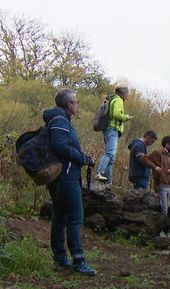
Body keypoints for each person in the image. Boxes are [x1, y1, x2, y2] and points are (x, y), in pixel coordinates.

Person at [44, 88, 96, 276]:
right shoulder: (59, 121)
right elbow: (60, 146)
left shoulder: (62, 120)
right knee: (75, 216)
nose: (77, 104)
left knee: (60, 217)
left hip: (62, 175)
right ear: (68, 104)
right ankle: (78, 260)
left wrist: (82, 157)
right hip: (65, 176)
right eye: (75, 101)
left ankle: (59, 259)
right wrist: (82, 158)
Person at [95, 86, 134, 184]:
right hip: (112, 129)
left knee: (111, 158)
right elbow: (116, 114)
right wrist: (126, 117)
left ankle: (108, 182)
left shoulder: (112, 99)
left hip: (108, 129)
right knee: (110, 153)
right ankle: (99, 172)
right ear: (124, 93)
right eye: (127, 94)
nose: (127, 96)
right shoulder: (118, 100)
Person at [141, 135, 170, 215]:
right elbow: (144, 159)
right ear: (167, 144)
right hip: (160, 184)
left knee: (165, 208)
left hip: (167, 184)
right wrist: (155, 167)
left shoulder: (169, 155)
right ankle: (161, 227)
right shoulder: (158, 152)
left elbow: (169, 167)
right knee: (163, 210)